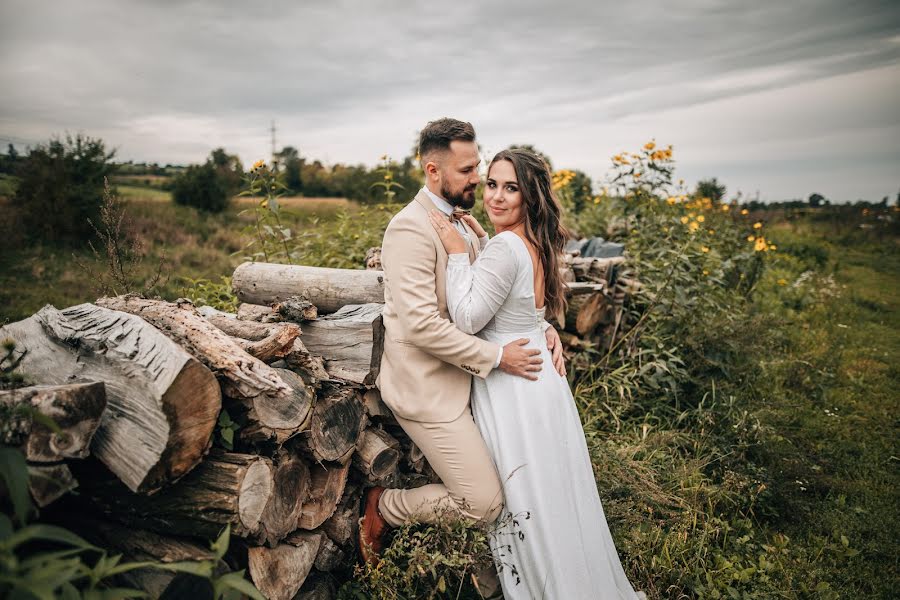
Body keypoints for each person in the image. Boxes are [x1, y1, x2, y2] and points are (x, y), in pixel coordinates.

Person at [428, 148, 642, 599]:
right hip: (543, 384)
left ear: (532, 195)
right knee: (556, 494)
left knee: (529, 496)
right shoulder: (533, 242)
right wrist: (545, 327)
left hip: (514, 390)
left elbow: (466, 319)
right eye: (491, 184)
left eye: (511, 188)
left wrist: (457, 254)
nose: (497, 197)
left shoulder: (506, 246)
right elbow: (527, 310)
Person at [359, 119, 566, 568]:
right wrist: (497, 356)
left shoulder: (468, 224)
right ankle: (385, 508)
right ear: (433, 171)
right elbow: (420, 325)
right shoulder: (409, 229)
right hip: (430, 392)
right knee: (484, 503)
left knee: (520, 483)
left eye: (479, 167)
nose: (478, 179)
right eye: (469, 170)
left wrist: (539, 326)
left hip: (473, 386)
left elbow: (494, 292)